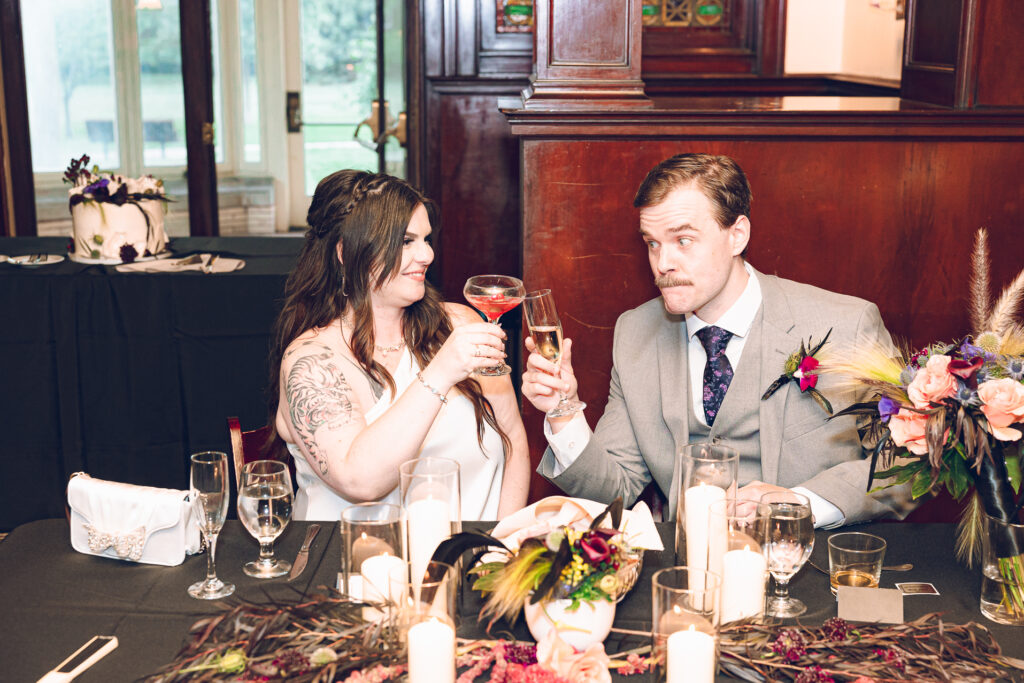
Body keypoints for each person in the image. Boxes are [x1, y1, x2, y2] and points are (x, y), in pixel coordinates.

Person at [521, 153, 910, 527]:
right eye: (652, 243)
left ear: (737, 235)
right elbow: (613, 490)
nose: (663, 263)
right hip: (684, 573)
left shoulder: (844, 324)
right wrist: (563, 411)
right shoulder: (635, 333)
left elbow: (907, 467)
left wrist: (803, 504)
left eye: (683, 240)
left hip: (806, 566)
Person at [268, 170, 529, 521]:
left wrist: (500, 549)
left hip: (472, 563)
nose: (426, 255)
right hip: (349, 567)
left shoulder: (459, 326)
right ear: (346, 252)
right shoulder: (310, 361)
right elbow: (360, 482)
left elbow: (513, 439)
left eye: (426, 239)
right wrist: (441, 371)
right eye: (406, 241)